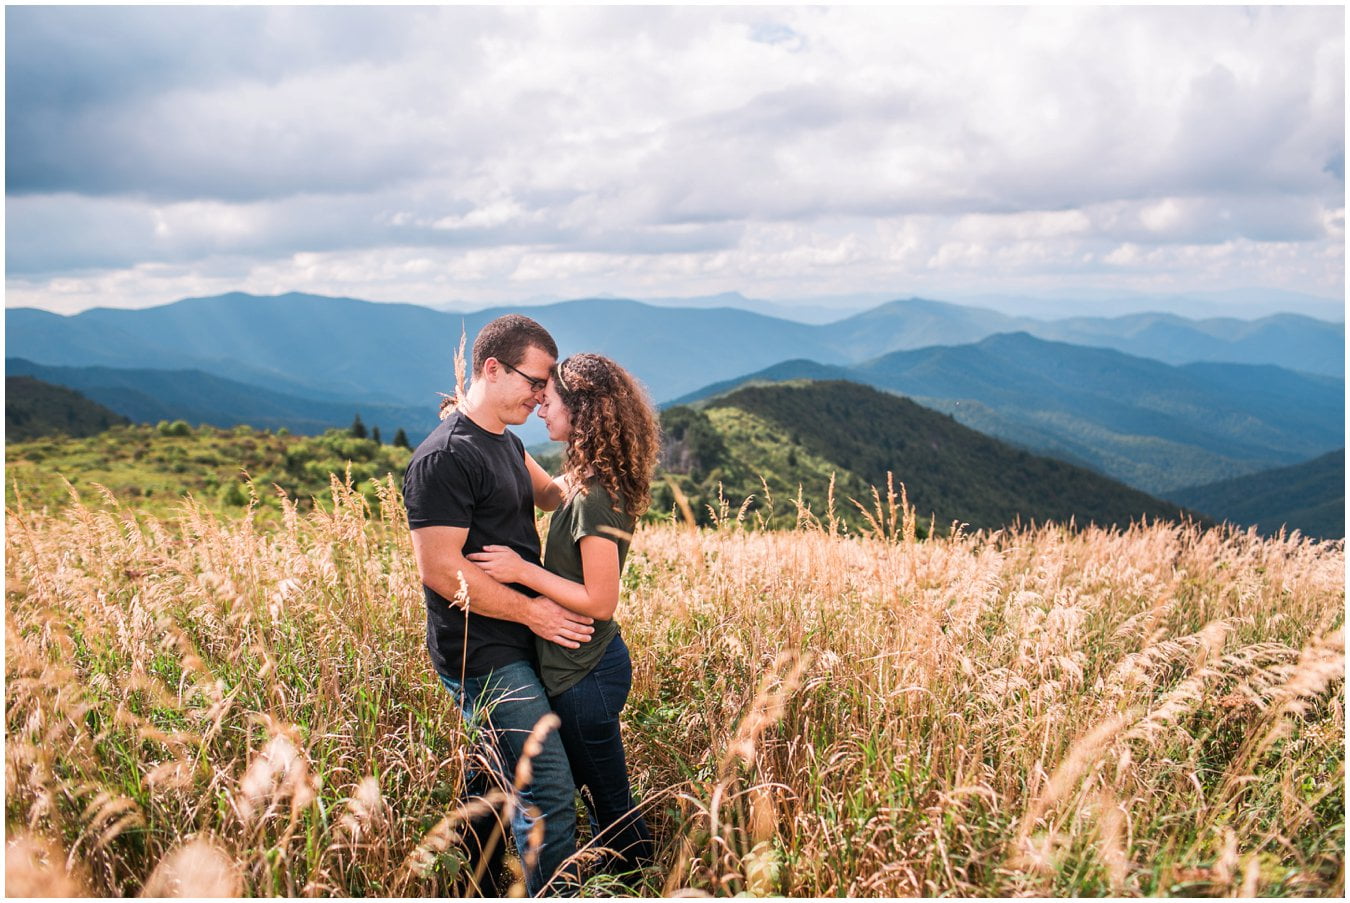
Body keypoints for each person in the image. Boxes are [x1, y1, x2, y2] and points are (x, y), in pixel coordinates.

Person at [402, 314, 595, 896]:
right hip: (480, 651)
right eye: (535, 383)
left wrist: (611, 463)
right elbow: (440, 568)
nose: (541, 398)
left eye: (546, 389)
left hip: (514, 639)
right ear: (492, 368)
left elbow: (557, 495)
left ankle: (470, 885)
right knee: (551, 791)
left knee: (490, 785)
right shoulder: (444, 458)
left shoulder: (506, 444)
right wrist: (534, 611)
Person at [469, 353, 660, 882]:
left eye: (547, 401)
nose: (538, 409)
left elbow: (601, 600)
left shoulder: (596, 497)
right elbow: (545, 488)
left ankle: (637, 881)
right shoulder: (585, 480)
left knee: (608, 803)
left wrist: (520, 570)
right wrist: (483, 426)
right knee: (592, 792)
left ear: (582, 412)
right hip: (583, 669)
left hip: (587, 675)